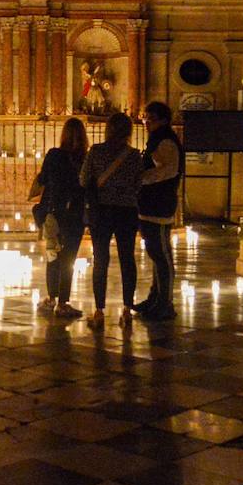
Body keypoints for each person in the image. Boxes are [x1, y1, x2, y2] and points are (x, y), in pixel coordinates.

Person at [80, 112, 144, 330]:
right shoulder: (135, 155)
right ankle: (127, 309)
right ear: (129, 131)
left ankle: (99, 311)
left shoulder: (96, 152)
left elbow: (83, 179)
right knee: (128, 259)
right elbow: (139, 184)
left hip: (102, 211)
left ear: (108, 129)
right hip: (126, 211)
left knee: (101, 260)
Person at [132, 102, 184, 323]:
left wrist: (140, 178)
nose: (146, 123)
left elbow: (168, 170)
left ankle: (165, 303)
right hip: (150, 204)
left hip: (159, 204)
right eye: (145, 119)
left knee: (161, 255)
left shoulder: (165, 141)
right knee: (156, 254)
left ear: (163, 119)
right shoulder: (157, 140)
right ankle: (155, 299)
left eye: (151, 119)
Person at [34, 118, 88, 319]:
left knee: (53, 255)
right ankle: (63, 303)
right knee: (69, 259)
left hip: (54, 212)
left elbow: (43, 179)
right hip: (74, 214)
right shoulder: (84, 158)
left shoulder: (54, 155)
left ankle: (51, 298)